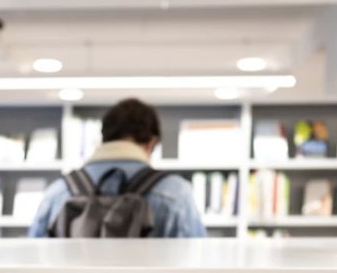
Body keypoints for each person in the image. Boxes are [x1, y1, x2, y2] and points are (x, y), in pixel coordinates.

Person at [28, 98, 207, 237]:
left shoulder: (60, 190)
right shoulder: (175, 192)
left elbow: (34, 259)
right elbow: (197, 264)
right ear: (151, 143)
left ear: (104, 137)